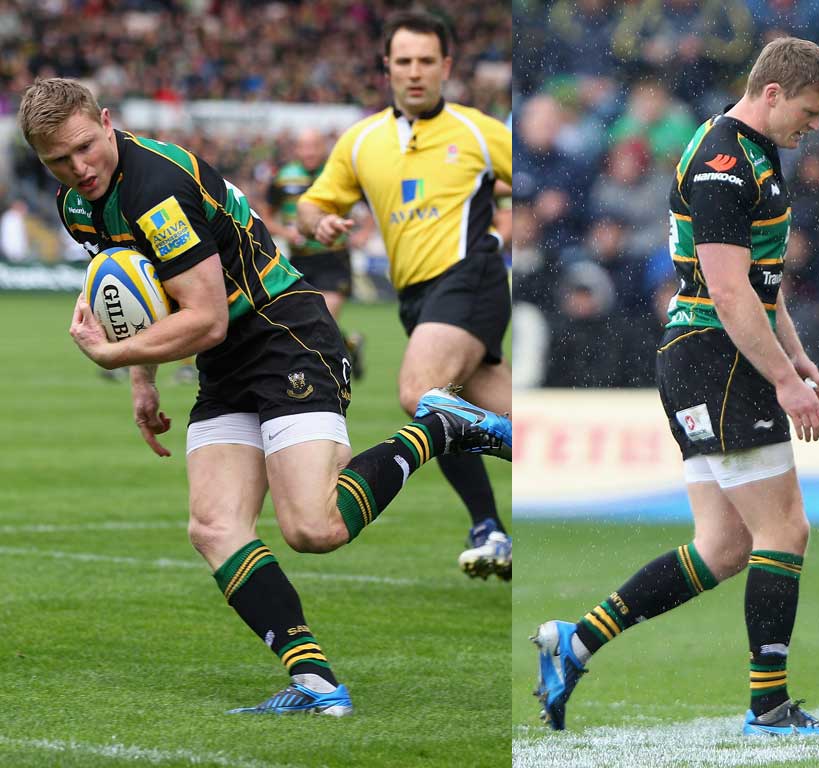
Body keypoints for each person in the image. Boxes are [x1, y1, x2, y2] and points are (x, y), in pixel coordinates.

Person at [18, 76, 511, 716]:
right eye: (58, 159)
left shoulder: (157, 188)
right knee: (215, 526)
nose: (78, 168)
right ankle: (315, 683)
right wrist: (142, 382)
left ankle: (439, 428)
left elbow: (205, 318)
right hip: (225, 362)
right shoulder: (77, 205)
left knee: (313, 526)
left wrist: (115, 358)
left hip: (283, 335)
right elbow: (136, 294)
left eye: (86, 147)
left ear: (107, 121)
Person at [532, 37, 819, 737]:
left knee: (723, 545)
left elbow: (765, 286)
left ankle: (575, 641)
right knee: (785, 528)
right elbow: (730, 291)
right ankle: (769, 707)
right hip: (719, 358)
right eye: (807, 111)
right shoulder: (721, 162)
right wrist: (782, 381)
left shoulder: (754, 152)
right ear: (771, 93)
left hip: (709, 357)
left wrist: (796, 358)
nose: (813, 126)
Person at [297, 10, 513, 581]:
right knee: (487, 412)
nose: (414, 73)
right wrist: (318, 222)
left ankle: (487, 523)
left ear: (445, 66)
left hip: (471, 278)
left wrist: (510, 217)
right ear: (386, 66)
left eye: (426, 62)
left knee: (422, 391)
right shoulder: (362, 141)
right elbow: (314, 203)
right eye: (404, 62)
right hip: (418, 300)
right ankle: (493, 528)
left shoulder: (477, 131)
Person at [266, 127, 364, 379]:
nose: (309, 152)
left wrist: (364, 233)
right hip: (299, 258)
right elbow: (265, 216)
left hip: (333, 257)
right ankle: (350, 345)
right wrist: (286, 233)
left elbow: (372, 204)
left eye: (314, 146)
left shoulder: (337, 175)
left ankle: (325, 376)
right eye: (304, 146)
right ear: (297, 149)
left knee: (325, 317)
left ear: (324, 148)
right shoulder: (283, 178)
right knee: (311, 321)